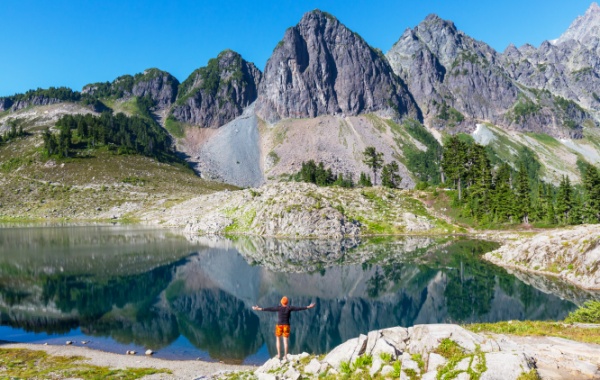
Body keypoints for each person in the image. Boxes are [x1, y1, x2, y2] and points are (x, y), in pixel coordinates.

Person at [252, 296, 315, 360]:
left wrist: (259, 308)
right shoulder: (289, 308)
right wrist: (308, 307)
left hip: (279, 325)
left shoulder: (279, 308)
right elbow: (298, 308)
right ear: (287, 303)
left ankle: (279, 355)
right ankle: (285, 356)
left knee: (278, 340)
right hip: (286, 325)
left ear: (281, 302)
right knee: (285, 342)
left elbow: (270, 309)